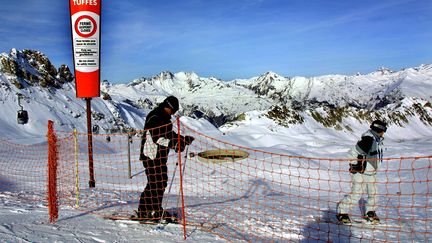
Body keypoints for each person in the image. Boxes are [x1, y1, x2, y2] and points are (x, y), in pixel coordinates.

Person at [137, 96, 194, 222]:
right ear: (169, 107)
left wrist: (182, 139)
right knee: (154, 183)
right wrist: (174, 144)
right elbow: (157, 137)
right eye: (173, 110)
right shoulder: (155, 117)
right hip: (151, 155)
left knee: (161, 181)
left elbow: (169, 134)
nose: (173, 113)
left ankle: (155, 209)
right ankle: (145, 211)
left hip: (159, 156)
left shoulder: (165, 118)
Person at [336, 119, 388, 224]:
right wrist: (355, 166)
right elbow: (352, 153)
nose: (384, 133)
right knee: (357, 193)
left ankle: (370, 212)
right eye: (384, 130)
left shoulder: (377, 140)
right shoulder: (368, 140)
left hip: (371, 172)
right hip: (361, 171)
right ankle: (342, 212)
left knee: (374, 193)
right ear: (379, 130)